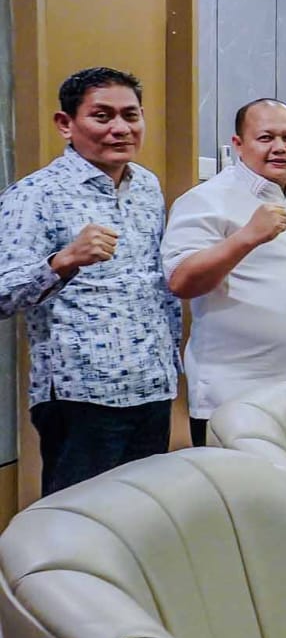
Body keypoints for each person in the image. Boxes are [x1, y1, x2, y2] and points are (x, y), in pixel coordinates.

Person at [0, 68, 181, 495]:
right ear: (66, 124)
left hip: (152, 385)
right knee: (79, 522)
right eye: (102, 116)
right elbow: (3, 294)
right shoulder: (35, 194)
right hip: (81, 394)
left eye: (131, 115)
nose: (120, 128)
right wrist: (63, 261)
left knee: (145, 514)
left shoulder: (147, 187)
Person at [164, 99, 286, 442]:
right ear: (238, 144)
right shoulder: (205, 201)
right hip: (234, 396)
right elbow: (181, 281)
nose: (279, 147)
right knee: (241, 480)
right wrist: (246, 238)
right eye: (266, 138)